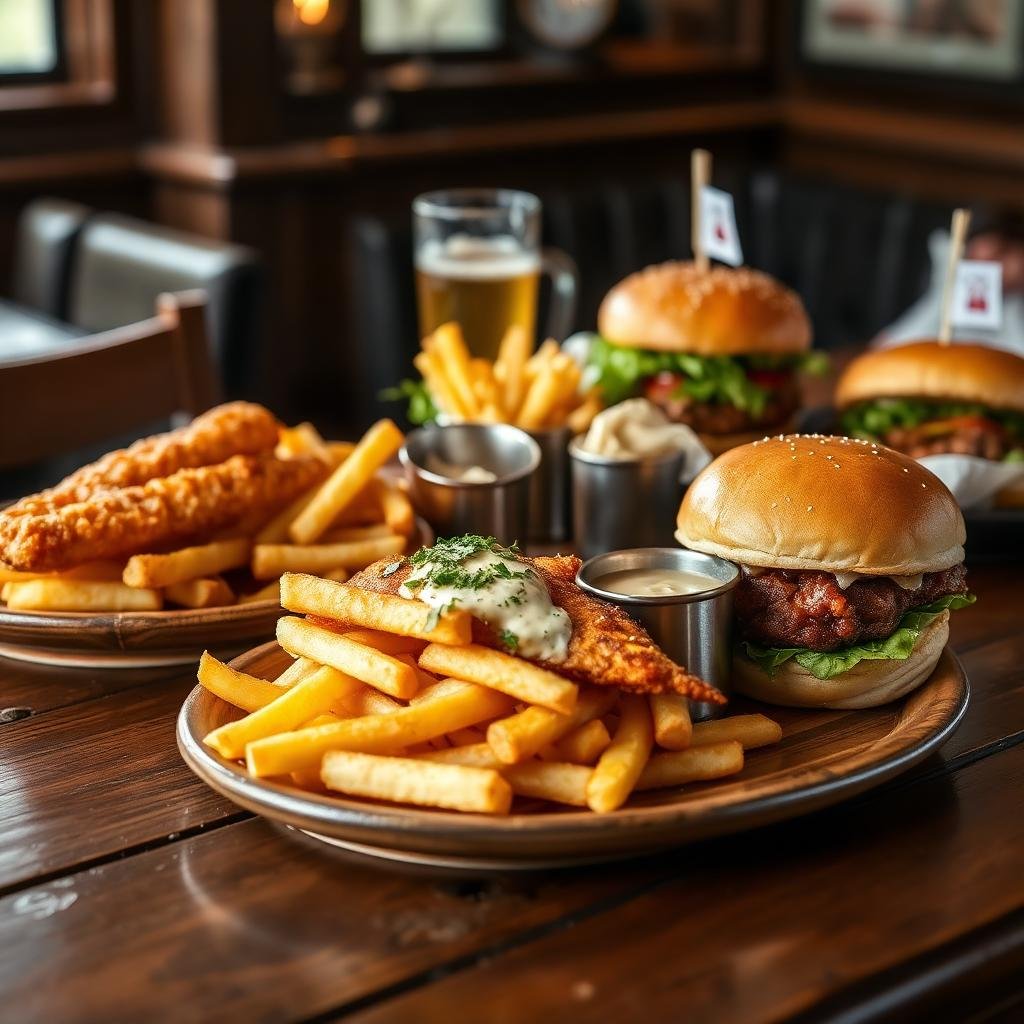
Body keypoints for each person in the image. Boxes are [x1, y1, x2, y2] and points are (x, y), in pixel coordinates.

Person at [877, 210, 1024, 355]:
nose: (986, 271)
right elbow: (884, 348)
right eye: (974, 261)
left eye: (1001, 255)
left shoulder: (1015, 308)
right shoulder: (949, 302)